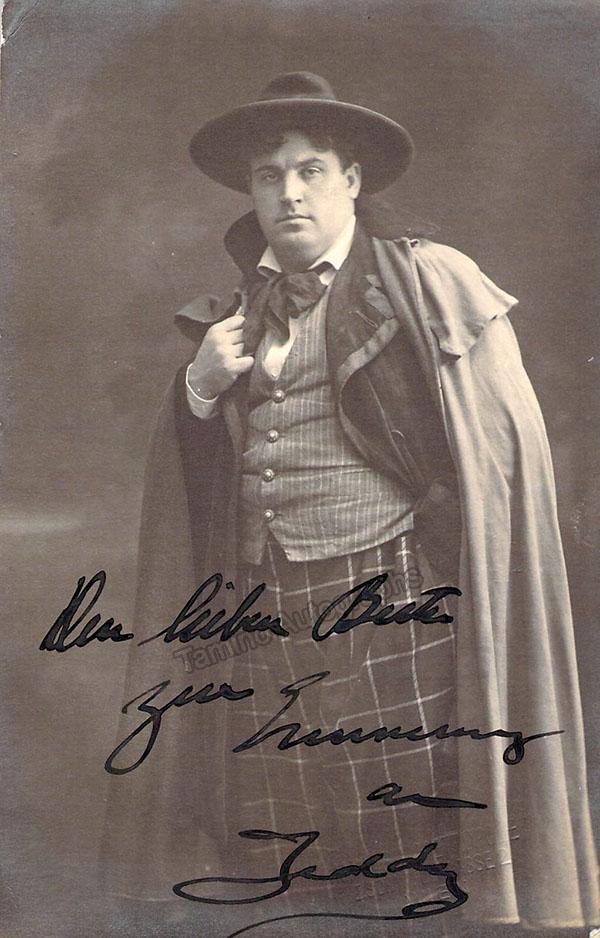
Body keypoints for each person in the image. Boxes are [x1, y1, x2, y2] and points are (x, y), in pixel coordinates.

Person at [102, 73, 598, 936]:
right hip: (263, 599)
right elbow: (197, 474)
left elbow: (501, 450)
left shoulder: (427, 280)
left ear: (352, 180)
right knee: (287, 822)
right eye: (269, 175)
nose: (289, 193)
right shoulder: (236, 311)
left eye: (311, 170)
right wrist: (199, 384)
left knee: (399, 822)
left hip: (393, 586)